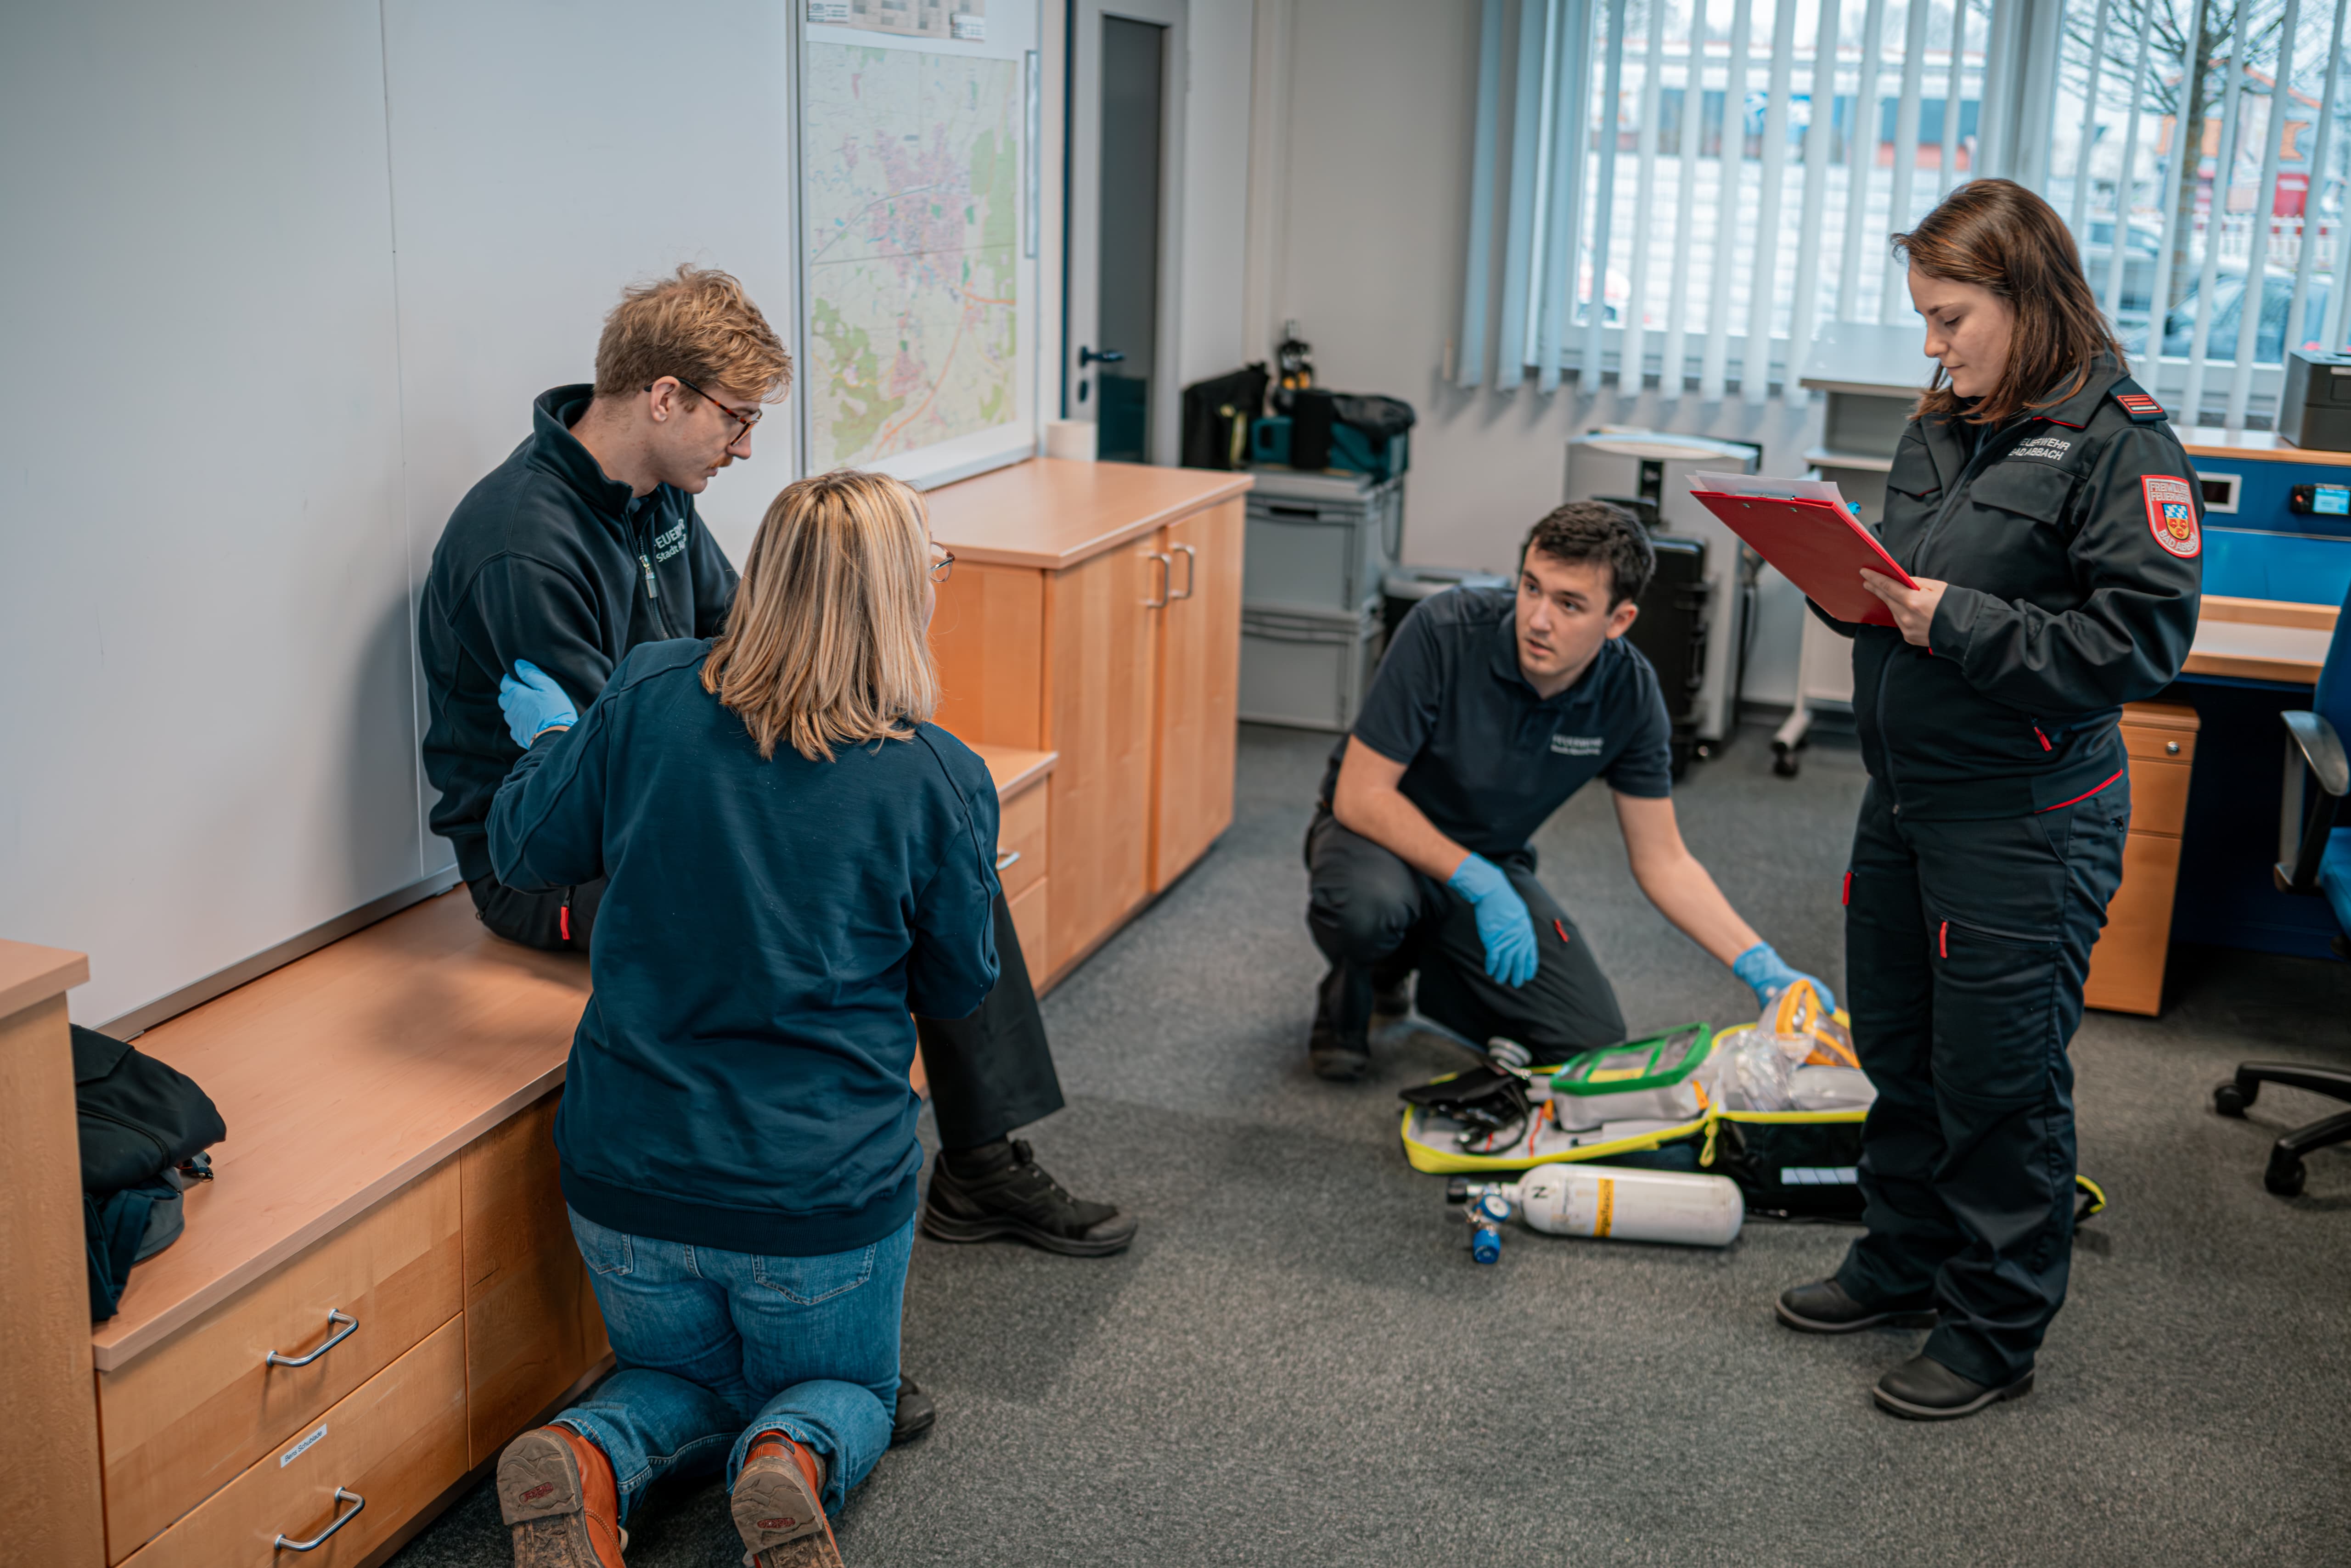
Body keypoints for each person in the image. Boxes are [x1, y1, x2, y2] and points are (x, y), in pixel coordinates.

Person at [413, 266, 1133, 1308]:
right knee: (835, 881)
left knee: (927, 842)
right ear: (665, 397)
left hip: (674, 788)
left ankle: (974, 1164)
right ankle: (797, 1231)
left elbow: (750, 636)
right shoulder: (524, 546)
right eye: (737, 417)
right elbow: (588, 787)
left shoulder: (658, 495)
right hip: (548, 856)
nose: (746, 446)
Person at [485, 469, 992, 1568]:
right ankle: (791, 1454)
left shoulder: (646, 691)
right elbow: (959, 988)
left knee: (678, 1380)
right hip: (815, 1193)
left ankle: (586, 1450)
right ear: (899, 594)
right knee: (847, 1389)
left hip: (627, 1172)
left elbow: (523, 850)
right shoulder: (935, 775)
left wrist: (554, 740)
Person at [1775, 180, 2199, 1421]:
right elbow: (1908, 585)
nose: (1933, 343)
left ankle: (1994, 1324)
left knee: (1996, 1077)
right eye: (1924, 316)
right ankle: (1903, 1256)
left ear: (2027, 297)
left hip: (2024, 816)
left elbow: (2137, 642)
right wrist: (1840, 580)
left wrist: (1954, 621)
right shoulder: (1941, 423)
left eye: (1950, 316)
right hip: (1907, 795)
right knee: (1900, 1046)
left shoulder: (2123, 442)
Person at [1305, 500, 1831, 1081]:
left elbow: (1663, 860)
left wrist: (1759, 964)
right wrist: (1478, 882)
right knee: (1369, 910)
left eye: (1569, 604)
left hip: (1489, 860)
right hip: (1377, 840)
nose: (1537, 619)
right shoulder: (1443, 629)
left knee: (1587, 1041)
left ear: (1618, 620)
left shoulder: (1629, 694)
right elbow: (1360, 795)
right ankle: (1361, 983)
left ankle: (1426, 959)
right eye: (1531, 587)